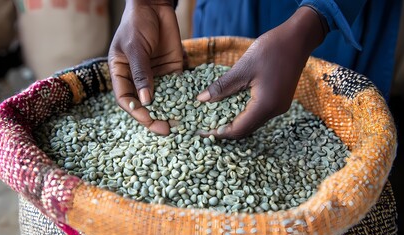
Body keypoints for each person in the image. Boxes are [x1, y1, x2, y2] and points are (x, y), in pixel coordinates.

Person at [108, 0, 402, 139]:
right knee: (224, 74)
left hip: (336, 22)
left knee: (343, 123)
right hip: (232, 8)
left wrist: (315, 20)